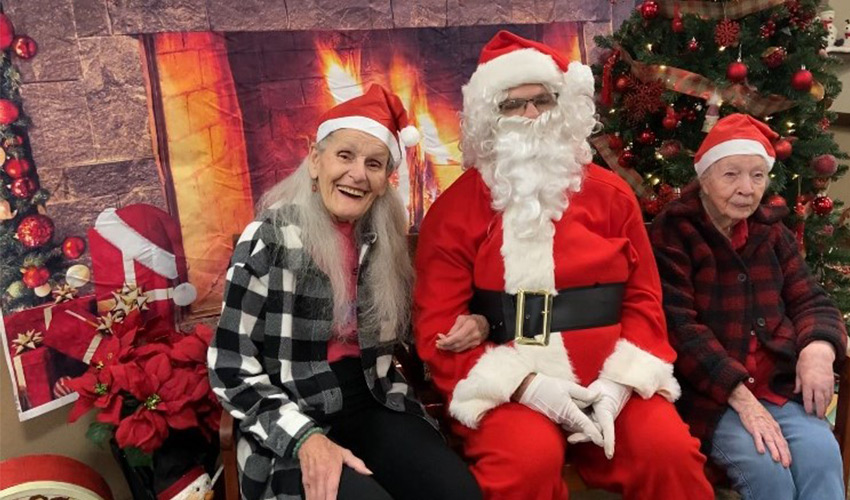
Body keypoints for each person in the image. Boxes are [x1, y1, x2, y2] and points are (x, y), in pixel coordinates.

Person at [413, 30, 714, 500]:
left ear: (564, 106)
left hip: (610, 381)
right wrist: (525, 386)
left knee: (669, 453)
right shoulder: (454, 211)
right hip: (510, 389)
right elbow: (438, 326)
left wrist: (620, 383)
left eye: (543, 100)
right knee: (525, 464)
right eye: (512, 105)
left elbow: (643, 300)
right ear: (489, 117)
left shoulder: (613, 196)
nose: (531, 114)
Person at [208, 85, 482, 500]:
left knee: (457, 493)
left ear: (385, 181)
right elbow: (229, 364)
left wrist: (477, 322)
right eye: (345, 155)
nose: (358, 174)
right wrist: (304, 438)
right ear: (315, 160)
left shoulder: (384, 243)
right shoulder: (268, 238)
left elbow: (423, 326)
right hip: (290, 411)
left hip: (374, 400)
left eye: (374, 164)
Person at [649, 113, 847, 500]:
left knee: (822, 457)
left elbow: (810, 298)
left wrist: (818, 349)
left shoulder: (771, 231)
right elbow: (679, 328)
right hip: (712, 397)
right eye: (731, 175)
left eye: (758, 176)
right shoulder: (674, 233)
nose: (746, 188)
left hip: (778, 388)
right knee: (768, 472)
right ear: (704, 179)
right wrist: (740, 396)